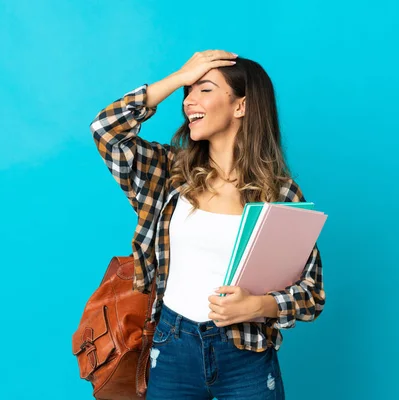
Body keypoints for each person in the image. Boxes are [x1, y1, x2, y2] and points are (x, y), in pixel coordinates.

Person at [90, 50, 325, 400]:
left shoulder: (278, 193)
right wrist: (178, 77)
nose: (189, 100)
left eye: (204, 89)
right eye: (188, 90)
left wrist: (258, 306)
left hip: (245, 353)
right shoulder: (169, 173)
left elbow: (311, 293)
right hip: (171, 345)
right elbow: (106, 130)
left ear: (240, 107)